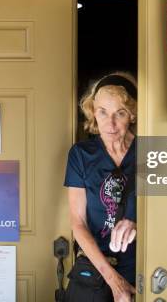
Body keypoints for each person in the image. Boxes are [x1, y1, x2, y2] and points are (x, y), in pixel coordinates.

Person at [64, 72, 137, 302]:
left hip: (139, 263)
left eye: (120, 113)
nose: (110, 124)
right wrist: (114, 281)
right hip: (95, 267)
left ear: (132, 114)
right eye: (102, 112)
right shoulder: (81, 155)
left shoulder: (150, 152)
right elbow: (78, 223)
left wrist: (138, 220)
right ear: (93, 112)